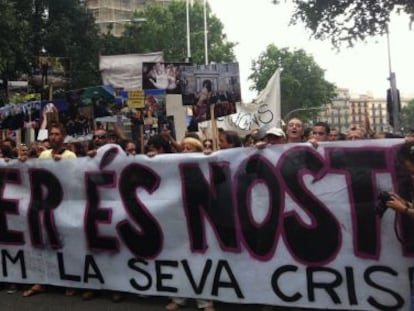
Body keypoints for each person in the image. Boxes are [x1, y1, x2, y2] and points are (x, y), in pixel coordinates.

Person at [23, 122, 76, 298]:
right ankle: (42, 281)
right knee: (44, 242)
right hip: (45, 204)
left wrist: (64, 166)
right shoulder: (44, 155)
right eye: (51, 134)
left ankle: (70, 281)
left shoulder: (70, 156)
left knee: (64, 243)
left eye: (57, 134)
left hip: (63, 204)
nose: (53, 137)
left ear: (63, 137)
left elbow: (76, 178)